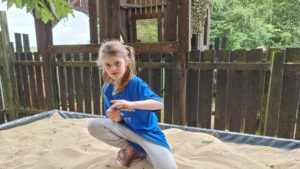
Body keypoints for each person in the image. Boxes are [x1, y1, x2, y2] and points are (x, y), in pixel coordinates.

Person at [87, 40, 177, 169]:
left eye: (117, 63)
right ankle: (131, 149)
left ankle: (139, 150)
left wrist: (132, 104)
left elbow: (159, 104)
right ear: (103, 65)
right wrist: (116, 117)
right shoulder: (107, 88)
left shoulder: (136, 83)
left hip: (147, 134)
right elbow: (114, 120)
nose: (113, 68)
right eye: (108, 65)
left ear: (126, 61)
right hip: (127, 133)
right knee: (93, 125)